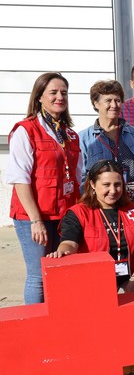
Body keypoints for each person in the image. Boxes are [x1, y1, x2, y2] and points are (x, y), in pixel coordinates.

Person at [7, 73, 82, 304]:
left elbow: (77, 177)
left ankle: (58, 325)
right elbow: (20, 178)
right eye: (54, 92)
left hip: (63, 214)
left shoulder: (69, 134)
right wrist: (35, 220)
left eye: (64, 93)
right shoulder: (26, 131)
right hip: (35, 216)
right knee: (38, 276)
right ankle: (36, 328)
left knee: (61, 272)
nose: (60, 97)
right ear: (40, 97)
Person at [48, 160, 134, 292]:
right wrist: (63, 252)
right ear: (92, 184)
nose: (113, 190)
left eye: (117, 185)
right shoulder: (78, 213)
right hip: (94, 284)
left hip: (131, 281)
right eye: (106, 185)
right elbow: (69, 243)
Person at [80, 80, 134, 216]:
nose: (114, 105)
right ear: (96, 103)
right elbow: (81, 177)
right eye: (108, 101)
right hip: (101, 207)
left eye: (117, 100)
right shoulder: (84, 139)